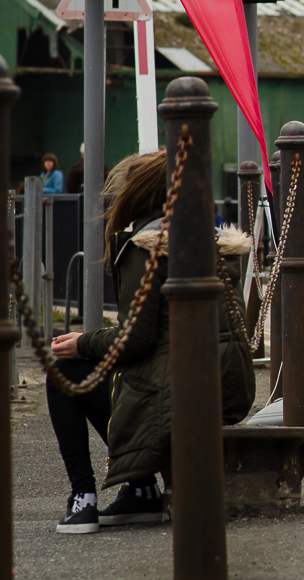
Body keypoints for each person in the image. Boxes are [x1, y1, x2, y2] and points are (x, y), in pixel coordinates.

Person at [48, 151, 255, 533]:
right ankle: (140, 489)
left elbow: (136, 341)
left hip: (178, 398)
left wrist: (83, 343)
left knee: (64, 370)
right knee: (127, 370)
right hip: (229, 391)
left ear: (137, 194)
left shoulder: (146, 245)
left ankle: (84, 497)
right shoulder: (211, 237)